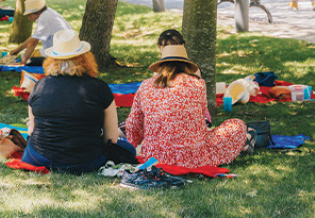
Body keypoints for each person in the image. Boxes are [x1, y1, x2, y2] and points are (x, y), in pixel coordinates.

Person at [21, 30, 135, 174]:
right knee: (128, 149)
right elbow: (110, 138)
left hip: (39, 157)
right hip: (84, 161)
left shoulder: (40, 86)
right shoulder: (99, 88)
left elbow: (31, 130)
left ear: (52, 59)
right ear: (85, 58)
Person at [125, 45, 255, 168]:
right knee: (237, 125)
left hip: (153, 156)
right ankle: (245, 142)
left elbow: (132, 124)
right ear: (186, 66)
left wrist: (134, 146)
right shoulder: (198, 84)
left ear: (161, 66)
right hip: (192, 157)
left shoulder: (145, 86)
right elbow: (201, 120)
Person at [9, 0, 71, 66]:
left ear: (37, 13)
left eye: (30, 15)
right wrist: (17, 50)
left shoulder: (43, 19)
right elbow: (34, 37)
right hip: (67, 49)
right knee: (25, 53)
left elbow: (33, 43)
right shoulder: (48, 12)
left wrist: (23, 62)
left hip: (59, 54)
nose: (29, 18)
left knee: (26, 56)